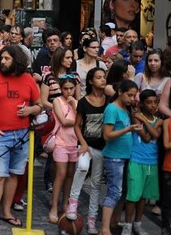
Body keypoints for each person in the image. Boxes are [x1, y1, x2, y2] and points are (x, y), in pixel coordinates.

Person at [0, 45, 41, 233]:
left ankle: (6, 212)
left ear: (17, 60)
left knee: (14, 174)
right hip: (0, 135)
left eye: (6, 58)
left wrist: (31, 110)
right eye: (2, 58)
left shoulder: (28, 79)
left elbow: (39, 105)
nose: (2, 61)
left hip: (22, 135)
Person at [66, 67, 107, 234]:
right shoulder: (83, 101)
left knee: (96, 183)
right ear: (91, 81)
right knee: (82, 167)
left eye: (104, 77)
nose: (103, 80)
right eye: (98, 77)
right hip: (85, 144)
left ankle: (92, 219)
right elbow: (77, 125)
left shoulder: (109, 100)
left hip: (102, 147)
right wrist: (82, 144)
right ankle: (73, 202)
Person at [101, 79, 141, 235]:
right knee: (114, 192)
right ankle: (104, 229)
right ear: (120, 92)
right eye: (129, 95)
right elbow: (107, 135)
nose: (132, 99)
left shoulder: (125, 109)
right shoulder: (112, 109)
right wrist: (128, 129)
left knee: (121, 191)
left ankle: (113, 221)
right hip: (114, 157)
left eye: (134, 96)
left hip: (124, 156)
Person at [123, 89, 162, 235]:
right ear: (142, 104)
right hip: (137, 160)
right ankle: (127, 225)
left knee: (143, 196)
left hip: (152, 161)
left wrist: (145, 120)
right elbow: (146, 138)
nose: (152, 105)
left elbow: (155, 135)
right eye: (148, 102)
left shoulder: (158, 119)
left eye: (155, 102)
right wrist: (149, 123)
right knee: (133, 195)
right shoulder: (135, 118)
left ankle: (137, 224)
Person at [48, 77, 79, 224]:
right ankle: (54, 206)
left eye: (71, 88)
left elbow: (83, 120)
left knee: (70, 174)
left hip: (74, 142)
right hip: (60, 142)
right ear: (61, 89)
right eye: (65, 88)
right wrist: (77, 122)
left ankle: (65, 203)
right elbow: (65, 121)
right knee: (60, 173)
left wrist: (74, 104)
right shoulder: (57, 101)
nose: (68, 92)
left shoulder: (77, 103)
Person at [136, 49, 171, 117]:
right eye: (150, 60)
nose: (152, 63)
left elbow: (164, 104)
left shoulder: (167, 80)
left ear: (161, 62)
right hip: (141, 115)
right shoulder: (140, 77)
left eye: (156, 60)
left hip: (160, 117)